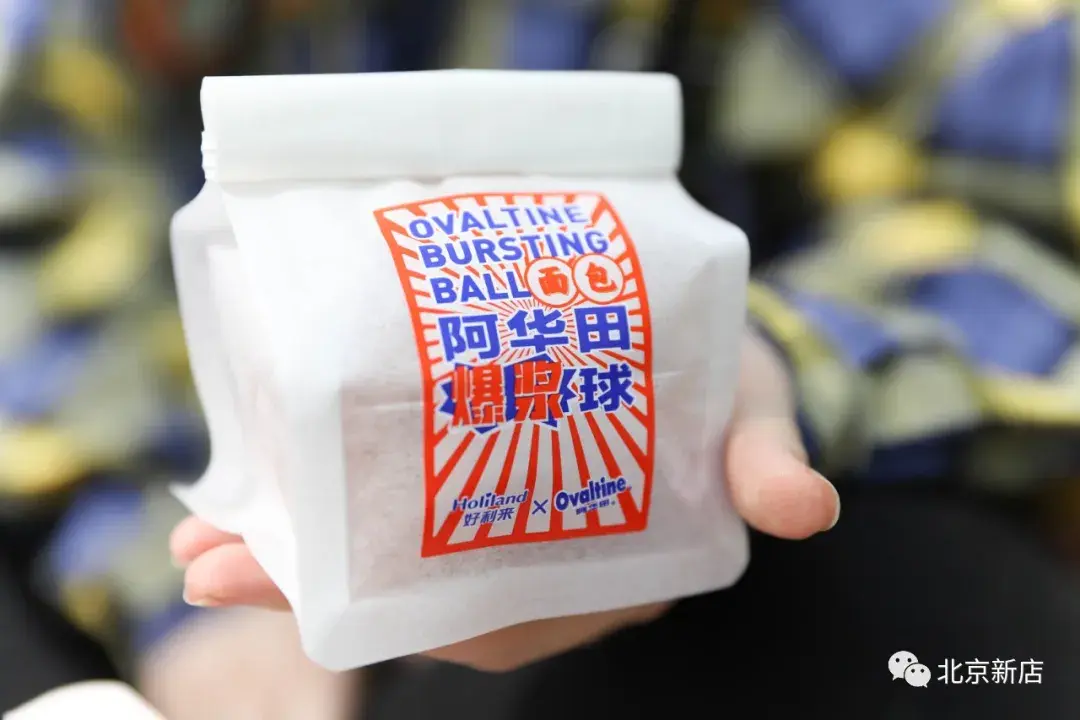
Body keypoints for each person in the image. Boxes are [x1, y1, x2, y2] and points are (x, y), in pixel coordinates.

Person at [4, 0, 1080, 718]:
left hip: (773, 494)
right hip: (194, 510)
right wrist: (169, 590)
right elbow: (37, 227)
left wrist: (760, 353)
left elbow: (1015, 198)